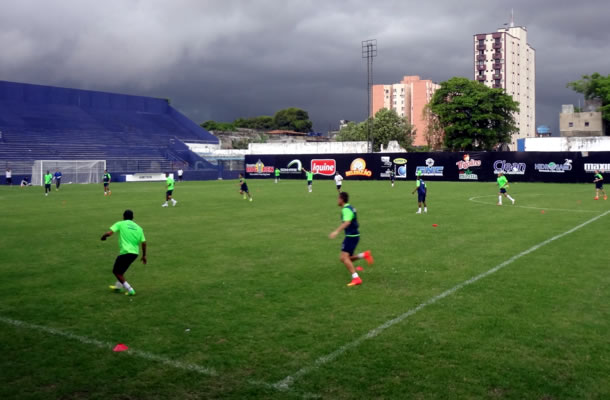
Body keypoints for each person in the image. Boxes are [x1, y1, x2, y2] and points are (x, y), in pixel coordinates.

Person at [329, 192, 374, 287]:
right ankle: (364, 255)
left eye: (338, 198)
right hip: (354, 235)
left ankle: (356, 278)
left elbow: (347, 222)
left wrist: (336, 231)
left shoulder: (346, 209)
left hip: (351, 236)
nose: (337, 200)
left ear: (342, 199)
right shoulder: (351, 207)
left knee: (344, 258)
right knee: (346, 258)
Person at [101, 209, 146, 296]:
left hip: (125, 252)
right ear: (133, 217)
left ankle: (130, 289)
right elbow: (144, 243)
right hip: (135, 253)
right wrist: (144, 255)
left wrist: (103, 237)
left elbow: (109, 233)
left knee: (116, 272)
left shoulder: (120, 223)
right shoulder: (139, 228)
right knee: (121, 270)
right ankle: (118, 286)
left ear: (123, 217)